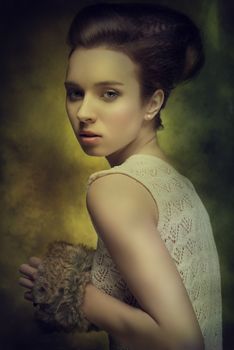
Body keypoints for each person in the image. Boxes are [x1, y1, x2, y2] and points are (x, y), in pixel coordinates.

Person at [18, 2, 222, 350]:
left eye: (109, 94)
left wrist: (71, 291)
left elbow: (183, 342)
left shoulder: (114, 189)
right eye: (75, 93)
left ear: (152, 103)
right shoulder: (176, 184)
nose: (83, 112)